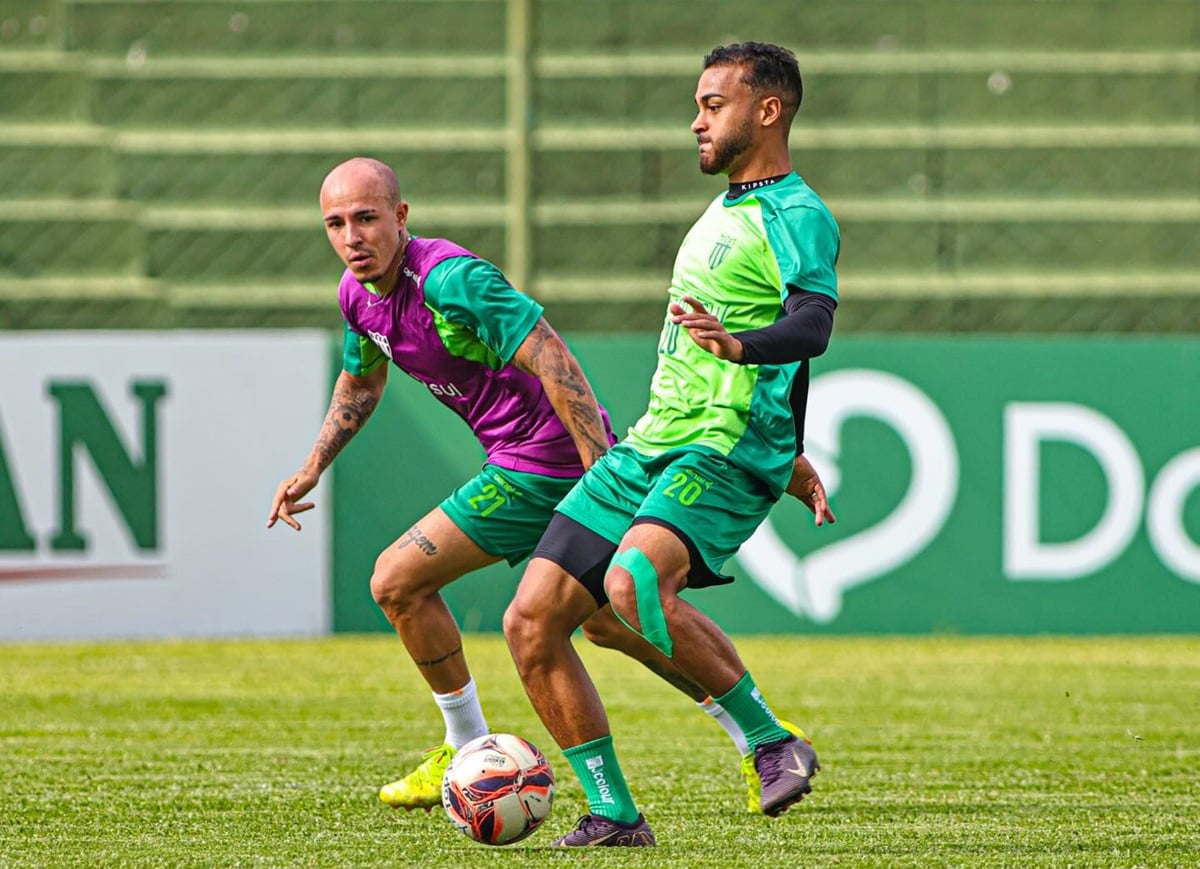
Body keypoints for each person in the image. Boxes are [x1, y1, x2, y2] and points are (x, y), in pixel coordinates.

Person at [265, 156, 823, 815]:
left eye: (366, 218)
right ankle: (757, 736)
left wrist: (599, 473)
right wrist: (313, 465)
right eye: (335, 224)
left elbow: (553, 356)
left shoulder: (451, 279)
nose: (352, 237)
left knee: (396, 580)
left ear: (400, 216)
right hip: (519, 460)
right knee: (610, 624)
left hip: (542, 463)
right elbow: (361, 381)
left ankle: (465, 745)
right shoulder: (356, 295)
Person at [503, 42, 840, 847]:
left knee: (632, 584)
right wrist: (795, 453)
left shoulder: (797, 213)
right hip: (653, 441)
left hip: (720, 448)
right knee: (535, 621)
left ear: (768, 110)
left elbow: (812, 323)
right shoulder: (726, 210)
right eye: (698, 105)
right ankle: (615, 813)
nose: (697, 120)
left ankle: (771, 741)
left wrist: (743, 352)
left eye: (713, 104)